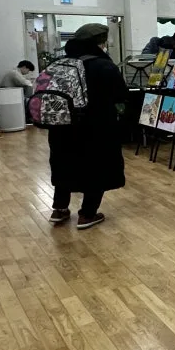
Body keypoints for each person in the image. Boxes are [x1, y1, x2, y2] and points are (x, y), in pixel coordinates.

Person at [48, 24, 128, 229]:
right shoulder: (103, 65)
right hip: (96, 127)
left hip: (62, 127)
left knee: (63, 164)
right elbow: (121, 94)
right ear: (100, 43)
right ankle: (87, 214)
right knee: (96, 167)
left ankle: (59, 209)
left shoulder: (60, 64)